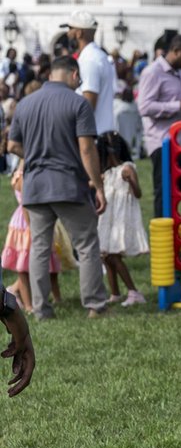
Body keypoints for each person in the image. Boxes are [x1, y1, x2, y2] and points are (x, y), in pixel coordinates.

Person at [6, 56, 108, 320]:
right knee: (86, 243)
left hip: (35, 186)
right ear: (73, 74)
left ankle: (41, 309)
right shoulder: (78, 103)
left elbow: (12, 146)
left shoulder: (25, 104)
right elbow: (86, 148)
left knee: (39, 247)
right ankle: (95, 304)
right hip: (68, 184)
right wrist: (98, 186)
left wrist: (35, 155)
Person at [137, 35, 181, 218]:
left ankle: (174, 241)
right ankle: (162, 245)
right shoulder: (153, 72)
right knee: (164, 196)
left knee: (175, 196)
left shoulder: (178, 72)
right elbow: (144, 107)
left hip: (180, 143)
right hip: (162, 143)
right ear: (176, 51)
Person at [2, 161, 63, 311]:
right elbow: (25, 204)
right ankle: (29, 305)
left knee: (36, 261)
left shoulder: (22, 173)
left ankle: (35, 299)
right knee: (23, 266)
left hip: (27, 220)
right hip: (27, 222)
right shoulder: (24, 176)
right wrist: (31, 227)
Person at [97, 133, 148, 307]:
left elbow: (138, 193)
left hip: (121, 219)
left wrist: (131, 182)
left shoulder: (127, 169)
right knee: (105, 256)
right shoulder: (108, 173)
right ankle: (115, 293)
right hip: (108, 220)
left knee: (114, 256)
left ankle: (134, 292)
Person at [64, 10, 117, 137]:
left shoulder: (90, 59)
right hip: (99, 132)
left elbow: (88, 104)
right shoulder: (97, 56)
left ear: (79, 33)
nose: (67, 33)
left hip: (93, 136)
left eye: (70, 29)